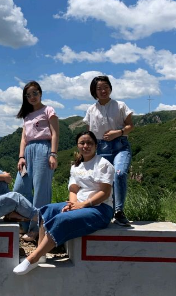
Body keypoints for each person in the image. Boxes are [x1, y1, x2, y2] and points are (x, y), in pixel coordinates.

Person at [13, 131, 114, 275]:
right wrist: (72, 205)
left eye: (90, 143)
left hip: (100, 209)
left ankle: (33, 258)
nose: (86, 146)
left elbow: (105, 193)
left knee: (62, 219)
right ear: (77, 145)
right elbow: (73, 190)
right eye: (82, 143)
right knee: (46, 210)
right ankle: (41, 255)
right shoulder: (77, 166)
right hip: (80, 205)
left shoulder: (103, 165)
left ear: (96, 145)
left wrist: (82, 205)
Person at [83, 75, 134, 226]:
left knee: (119, 173)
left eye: (106, 87)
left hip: (120, 146)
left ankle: (119, 211)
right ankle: (105, 211)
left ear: (110, 88)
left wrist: (118, 132)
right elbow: (89, 134)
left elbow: (130, 125)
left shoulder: (120, 105)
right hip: (100, 148)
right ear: (94, 91)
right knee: (103, 180)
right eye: (99, 88)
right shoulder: (91, 110)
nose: (103, 91)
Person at [14, 81, 59, 242]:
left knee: (41, 191)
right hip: (28, 151)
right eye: (28, 95)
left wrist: (53, 154)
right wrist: (21, 156)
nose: (32, 97)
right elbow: (23, 138)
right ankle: (24, 223)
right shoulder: (27, 115)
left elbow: (55, 133)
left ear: (40, 93)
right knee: (20, 188)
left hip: (43, 149)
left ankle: (36, 230)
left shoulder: (48, 110)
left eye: (35, 93)